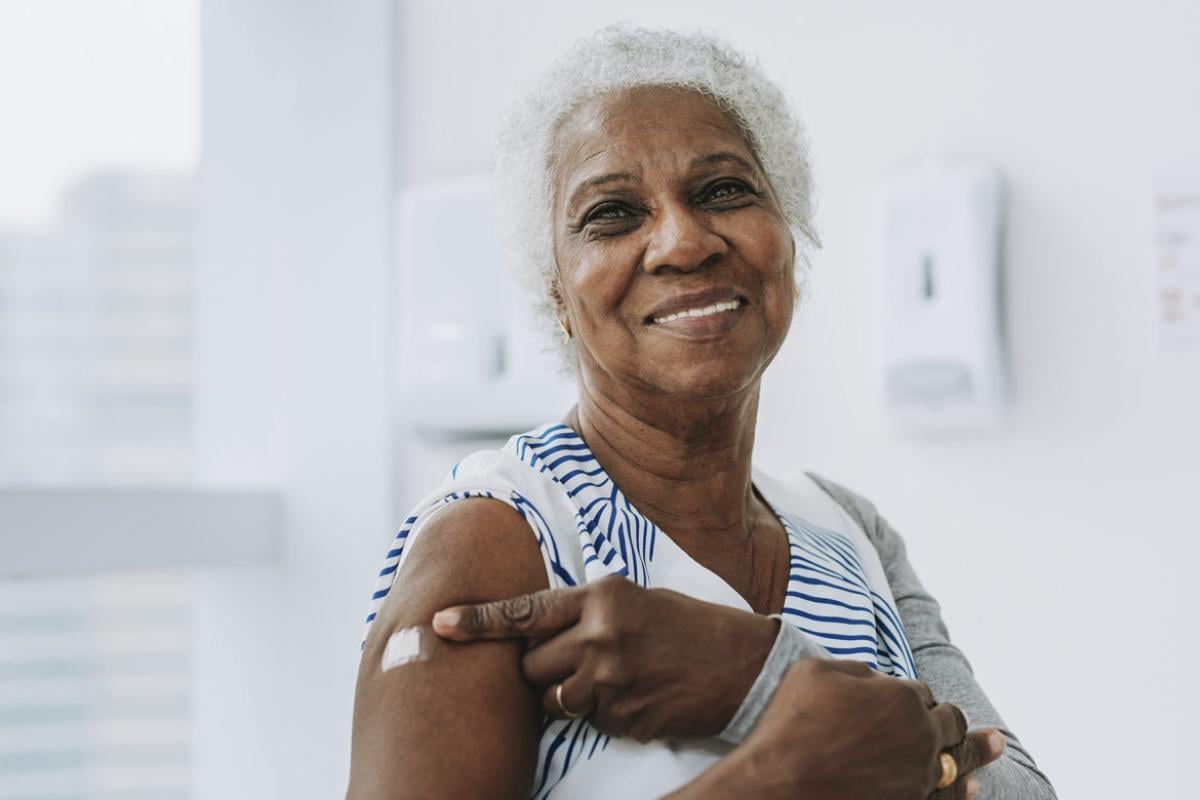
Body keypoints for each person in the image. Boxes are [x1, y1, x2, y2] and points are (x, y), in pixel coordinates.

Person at [347, 26, 1056, 800]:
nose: (683, 243)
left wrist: (752, 669)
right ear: (557, 294)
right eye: (613, 214)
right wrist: (784, 770)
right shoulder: (498, 538)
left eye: (724, 191)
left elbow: (1021, 791)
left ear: (790, 237)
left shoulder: (851, 533)